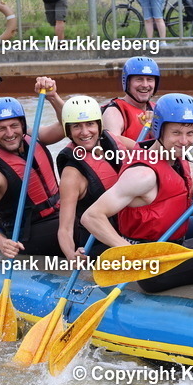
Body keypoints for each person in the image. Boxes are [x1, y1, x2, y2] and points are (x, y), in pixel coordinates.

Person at [81, 94, 193, 293]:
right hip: (153, 267)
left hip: (172, 246)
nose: (184, 141)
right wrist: (132, 255)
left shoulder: (175, 157)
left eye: (190, 133)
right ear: (159, 130)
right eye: (177, 133)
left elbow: (188, 187)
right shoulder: (142, 175)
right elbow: (91, 217)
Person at [0, 79, 68, 259]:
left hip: (58, 213)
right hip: (29, 233)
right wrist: (1, 243)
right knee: (82, 226)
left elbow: (67, 125)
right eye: (1, 129)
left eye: (14, 126)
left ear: (23, 125)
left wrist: (53, 97)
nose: (10, 134)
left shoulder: (33, 138)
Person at [55, 96, 124, 261]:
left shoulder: (110, 142)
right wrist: (72, 256)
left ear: (99, 125)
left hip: (129, 230)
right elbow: (65, 228)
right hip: (100, 244)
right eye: (77, 126)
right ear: (68, 131)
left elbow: (148, 152)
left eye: (90, 124)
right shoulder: (72, 174)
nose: (85, 132)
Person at [102, 56, 161, 148]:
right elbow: (114, 142)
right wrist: (145, 152)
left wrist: (154, 130)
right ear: (127, 83)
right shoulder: (114, 111)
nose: (145, 85)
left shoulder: (157, 109)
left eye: (149, 79)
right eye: (139, 79)